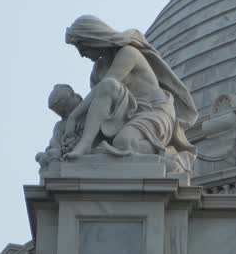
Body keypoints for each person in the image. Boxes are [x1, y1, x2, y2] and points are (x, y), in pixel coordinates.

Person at [59, 15, 197, 163]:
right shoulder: (97, 70)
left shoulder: (128, 53)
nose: (81, 55)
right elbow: (97, 108)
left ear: (94, 39)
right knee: (121, 143)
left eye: (82, 47)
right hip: (123, 116)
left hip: (154, 111)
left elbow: (108, 85)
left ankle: (170, 155)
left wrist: (74, 116)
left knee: (124, 143)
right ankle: (89, 146)